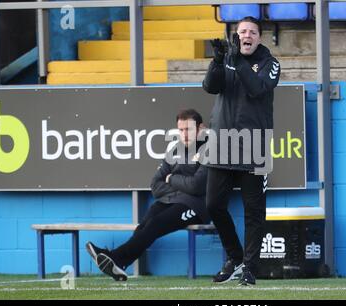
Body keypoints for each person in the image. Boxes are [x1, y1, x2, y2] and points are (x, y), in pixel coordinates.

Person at [86, 109, 209, 281]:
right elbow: (156, 186)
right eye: (180, 130)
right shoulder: (175, 150)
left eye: (188, 129)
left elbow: (196, 186)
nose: (184, 134)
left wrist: (171, 178)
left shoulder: (209, 149)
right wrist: (181, 186)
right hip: (170, 201)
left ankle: (116, 257)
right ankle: (119, 263)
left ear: (200, 128)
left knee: (156, 223)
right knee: (146, 223)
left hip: (195, 206)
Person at [202, 16, 280, 285]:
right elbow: (210, 87)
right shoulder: (227, 59)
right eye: (242, 31)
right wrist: (217, 61)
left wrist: (237, 63)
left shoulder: (271, 63)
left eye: (252, 32)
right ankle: (235, 256)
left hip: (253, 145)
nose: (246, 35)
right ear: (236, 35)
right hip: (222, 143)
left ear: (259, 37)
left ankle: (250, 268)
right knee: (213, 204)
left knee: (253, 211)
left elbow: (258, 89)